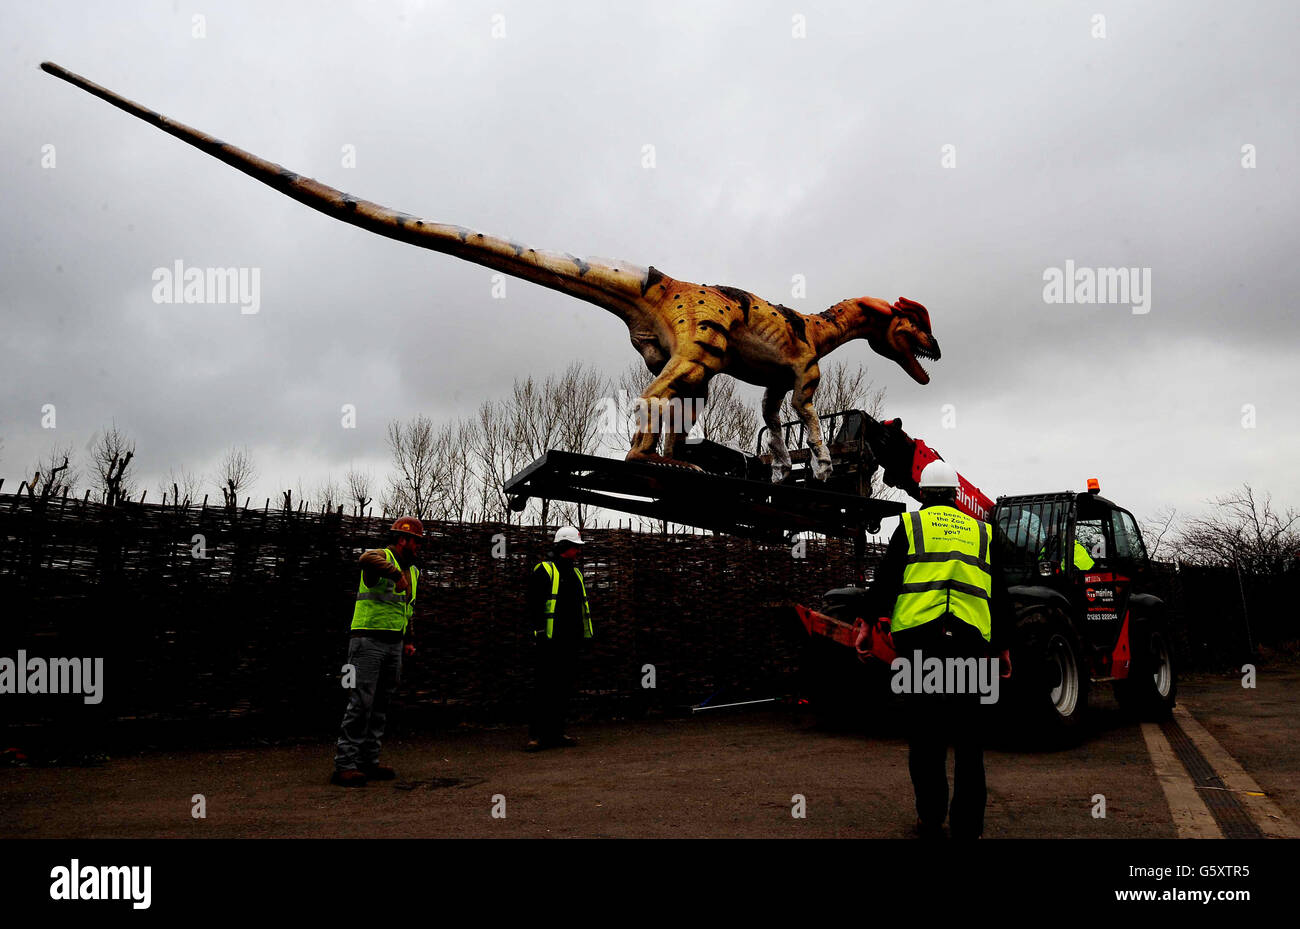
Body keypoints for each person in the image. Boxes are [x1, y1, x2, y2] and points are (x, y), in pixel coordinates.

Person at [867, 461, 1011, 839]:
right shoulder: (983, 532)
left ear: (924, 494)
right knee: (969, 743)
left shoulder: (911, 526)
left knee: (926, 739)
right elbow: (1000, 594)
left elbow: (886, 582)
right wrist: (1002, 648)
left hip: (920, 650)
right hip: (970, 649)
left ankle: (930, 818)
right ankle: (968, 827)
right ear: (955, 496)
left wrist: (867, 623)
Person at [331, 516, 423, 786]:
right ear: (401, 539)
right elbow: (364, 559)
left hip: (394, 643)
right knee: (361, 703)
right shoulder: (381, 558)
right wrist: (396, 575)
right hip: (367, 641)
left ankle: (368, 762)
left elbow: (408, 608)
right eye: (415, 541)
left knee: (381, 704)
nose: (418, 546)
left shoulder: (414, 572)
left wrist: (408, 639)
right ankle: (344, 765)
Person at [525, 526, 593, 752]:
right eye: (576, 547)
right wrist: (538, 633)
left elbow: (580, 608)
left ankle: (556, 732)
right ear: (565, 546)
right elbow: (532, 605)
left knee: (563, 688)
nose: (579, 552)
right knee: (544, 688)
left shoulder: (575, 574)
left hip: (569, 641)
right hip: (549, 642)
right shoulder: (544, 570)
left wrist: (583, 635)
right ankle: (536, 735)